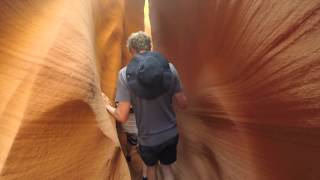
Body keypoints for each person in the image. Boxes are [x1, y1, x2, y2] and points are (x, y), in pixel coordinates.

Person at [103, 31, 187, 180]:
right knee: (167, 170)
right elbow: (183, 103)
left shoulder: (124, 75)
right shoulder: (170, 68)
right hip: (171, 133)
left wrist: (107, 106)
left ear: (132, 51)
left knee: (150, 169)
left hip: (148, 139)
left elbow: (122, 116)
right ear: (150, 47)